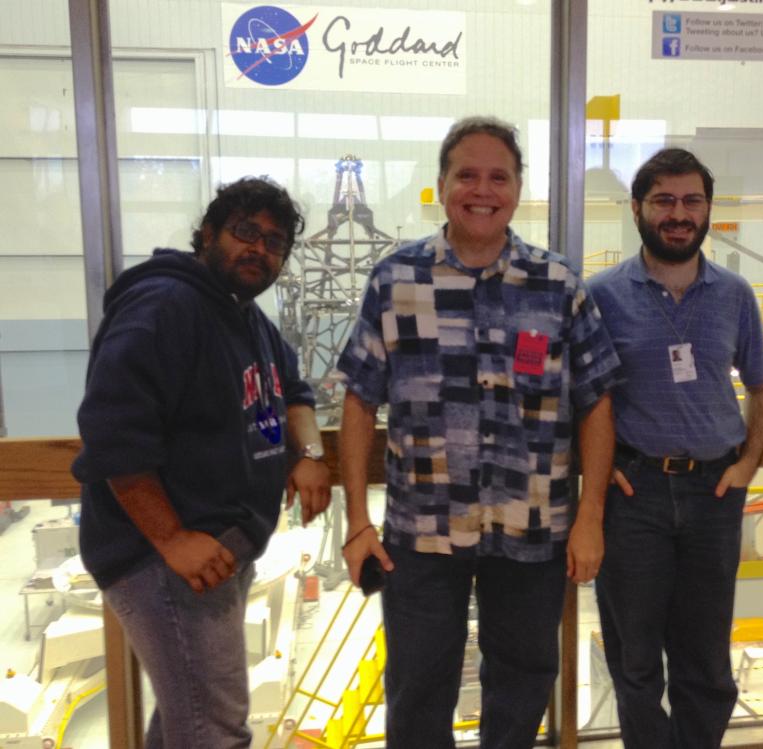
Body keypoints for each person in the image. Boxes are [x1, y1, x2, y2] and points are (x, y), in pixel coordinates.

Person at [336, 116, 620, 748]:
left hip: (534, 527)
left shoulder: (559, 284)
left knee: (522, 683)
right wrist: (356, 518)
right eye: (467, 174)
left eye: (499, 176)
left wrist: (591, 515)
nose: (482, 190)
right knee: (416, 688)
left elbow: (597, 404)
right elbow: (359, 402)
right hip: (422, 534)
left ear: (518, 189)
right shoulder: (395, 281)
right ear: (442, 184)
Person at [71, 177, 332, 749]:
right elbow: (113, 431)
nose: (259, 249)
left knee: (184, 722)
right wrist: (172, 539)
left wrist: (310, 453)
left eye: (275, 242)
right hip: (165, 562)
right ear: (208, 233)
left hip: (214, 555)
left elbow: (294, 389)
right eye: (246, 232)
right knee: (214, 732)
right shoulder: (166, 304)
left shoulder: (242, 316)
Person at [589, 148, 763, 748]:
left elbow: (762, 385)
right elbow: (580, 397)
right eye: (664, 200)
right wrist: (605, 470)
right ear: (638, 210)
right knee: (637, 662)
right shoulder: (602, 295)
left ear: (707, 211)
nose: (679, 213)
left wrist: (747, 464)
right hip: (634, 495)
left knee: (706, 666)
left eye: (691, 201)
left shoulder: (735, 294)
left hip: (714, 494)